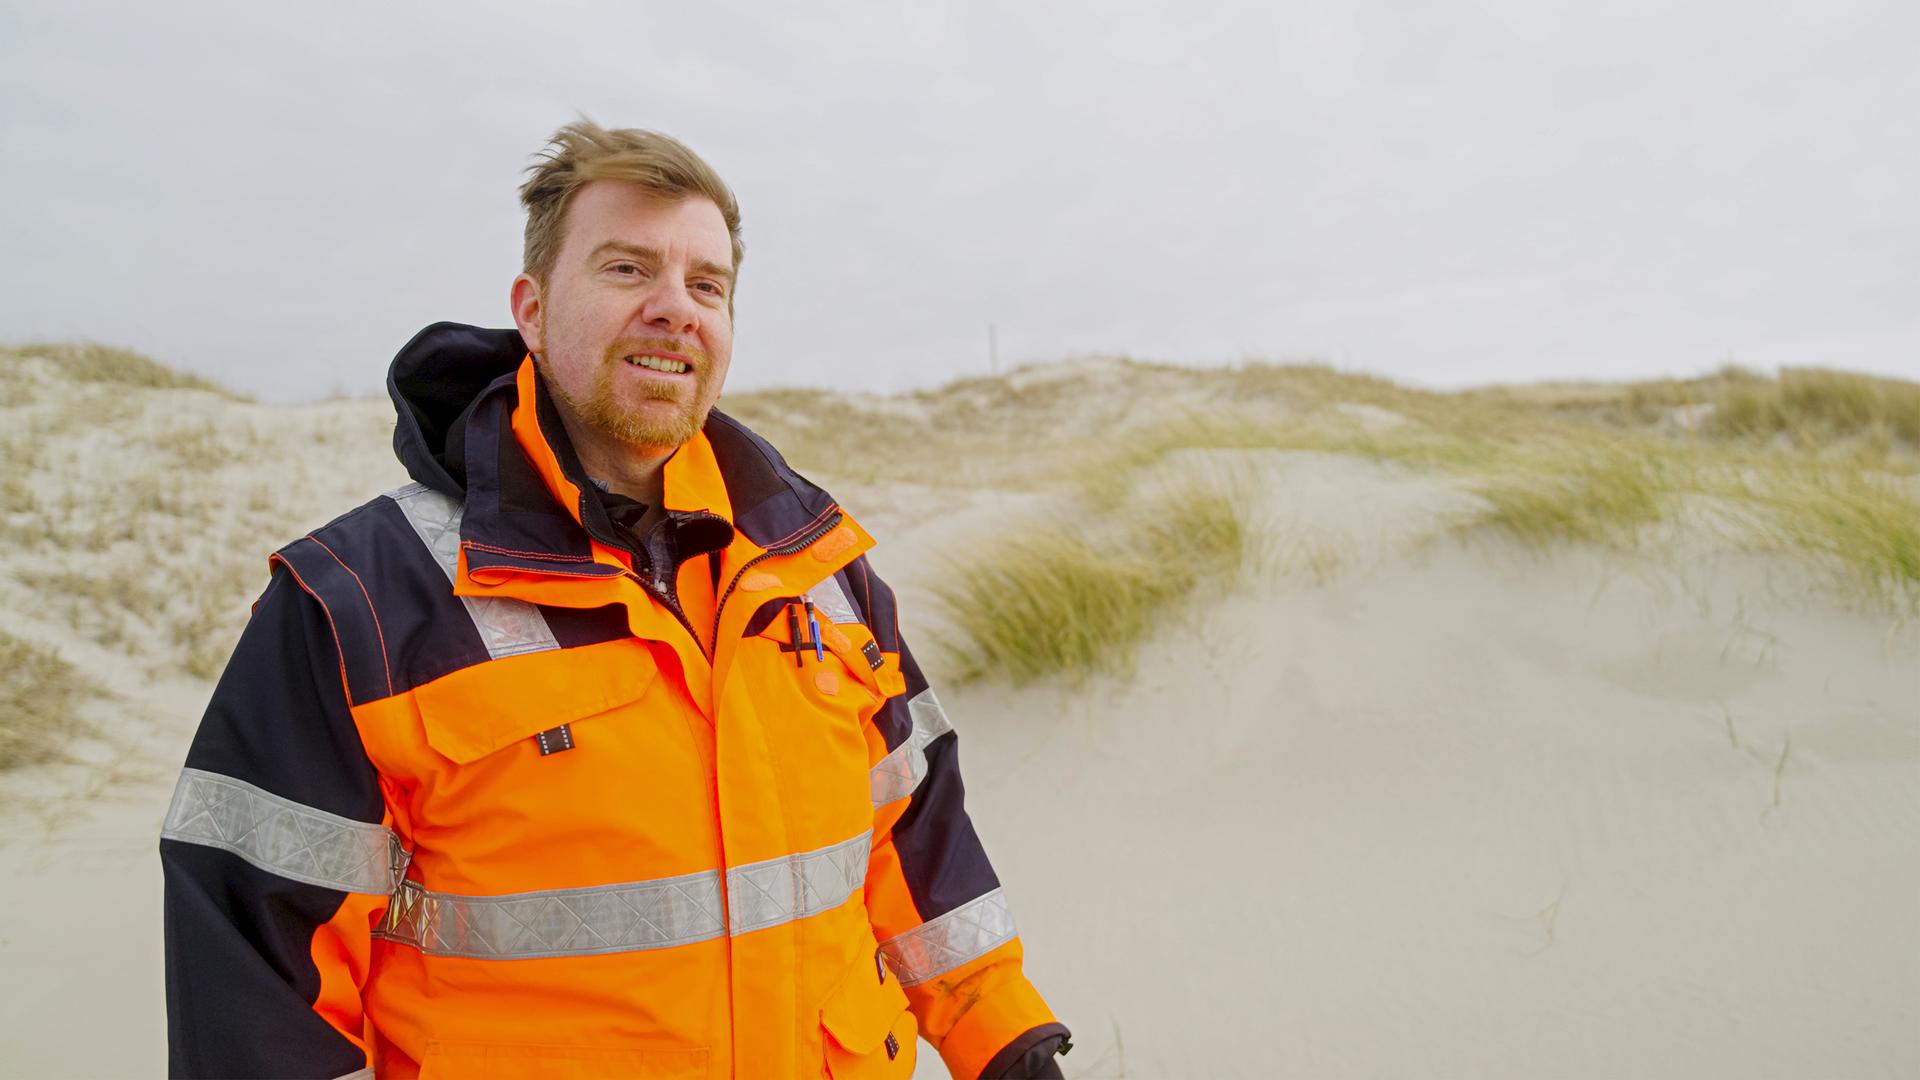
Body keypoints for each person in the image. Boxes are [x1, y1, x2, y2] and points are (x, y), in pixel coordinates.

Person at [159, 120, 1071, 1079]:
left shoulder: (819, 569)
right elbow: (259, 983)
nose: (675, 309)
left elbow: (915, 841)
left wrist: (1007, 1046)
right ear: (533, 309)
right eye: (628, 269)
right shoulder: (357, 603)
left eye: (707, 285)